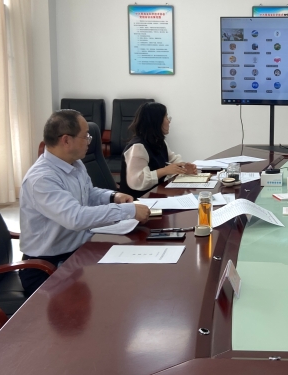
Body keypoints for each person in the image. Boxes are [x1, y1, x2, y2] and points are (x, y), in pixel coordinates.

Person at [20, 110, 151, 294]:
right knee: (110, 293)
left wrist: (113, 196)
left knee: (130, 276)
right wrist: (128, 211)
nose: (90, 141)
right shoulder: (42, 179)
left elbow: (88, 193)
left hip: (77, 252)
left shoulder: (75, 163)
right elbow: (76, 218)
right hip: (46, 267)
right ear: (66, 140)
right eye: (85, 136)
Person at [119, 102, 197, 199]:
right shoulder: (138, 147)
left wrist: (184, 168)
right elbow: (137, 182)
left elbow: (173, 160)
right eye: (166, 117)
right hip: (137, 201)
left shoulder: (159, 142)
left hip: (155, 195)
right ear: (156, 121)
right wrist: (165, 171)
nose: (169, 121)